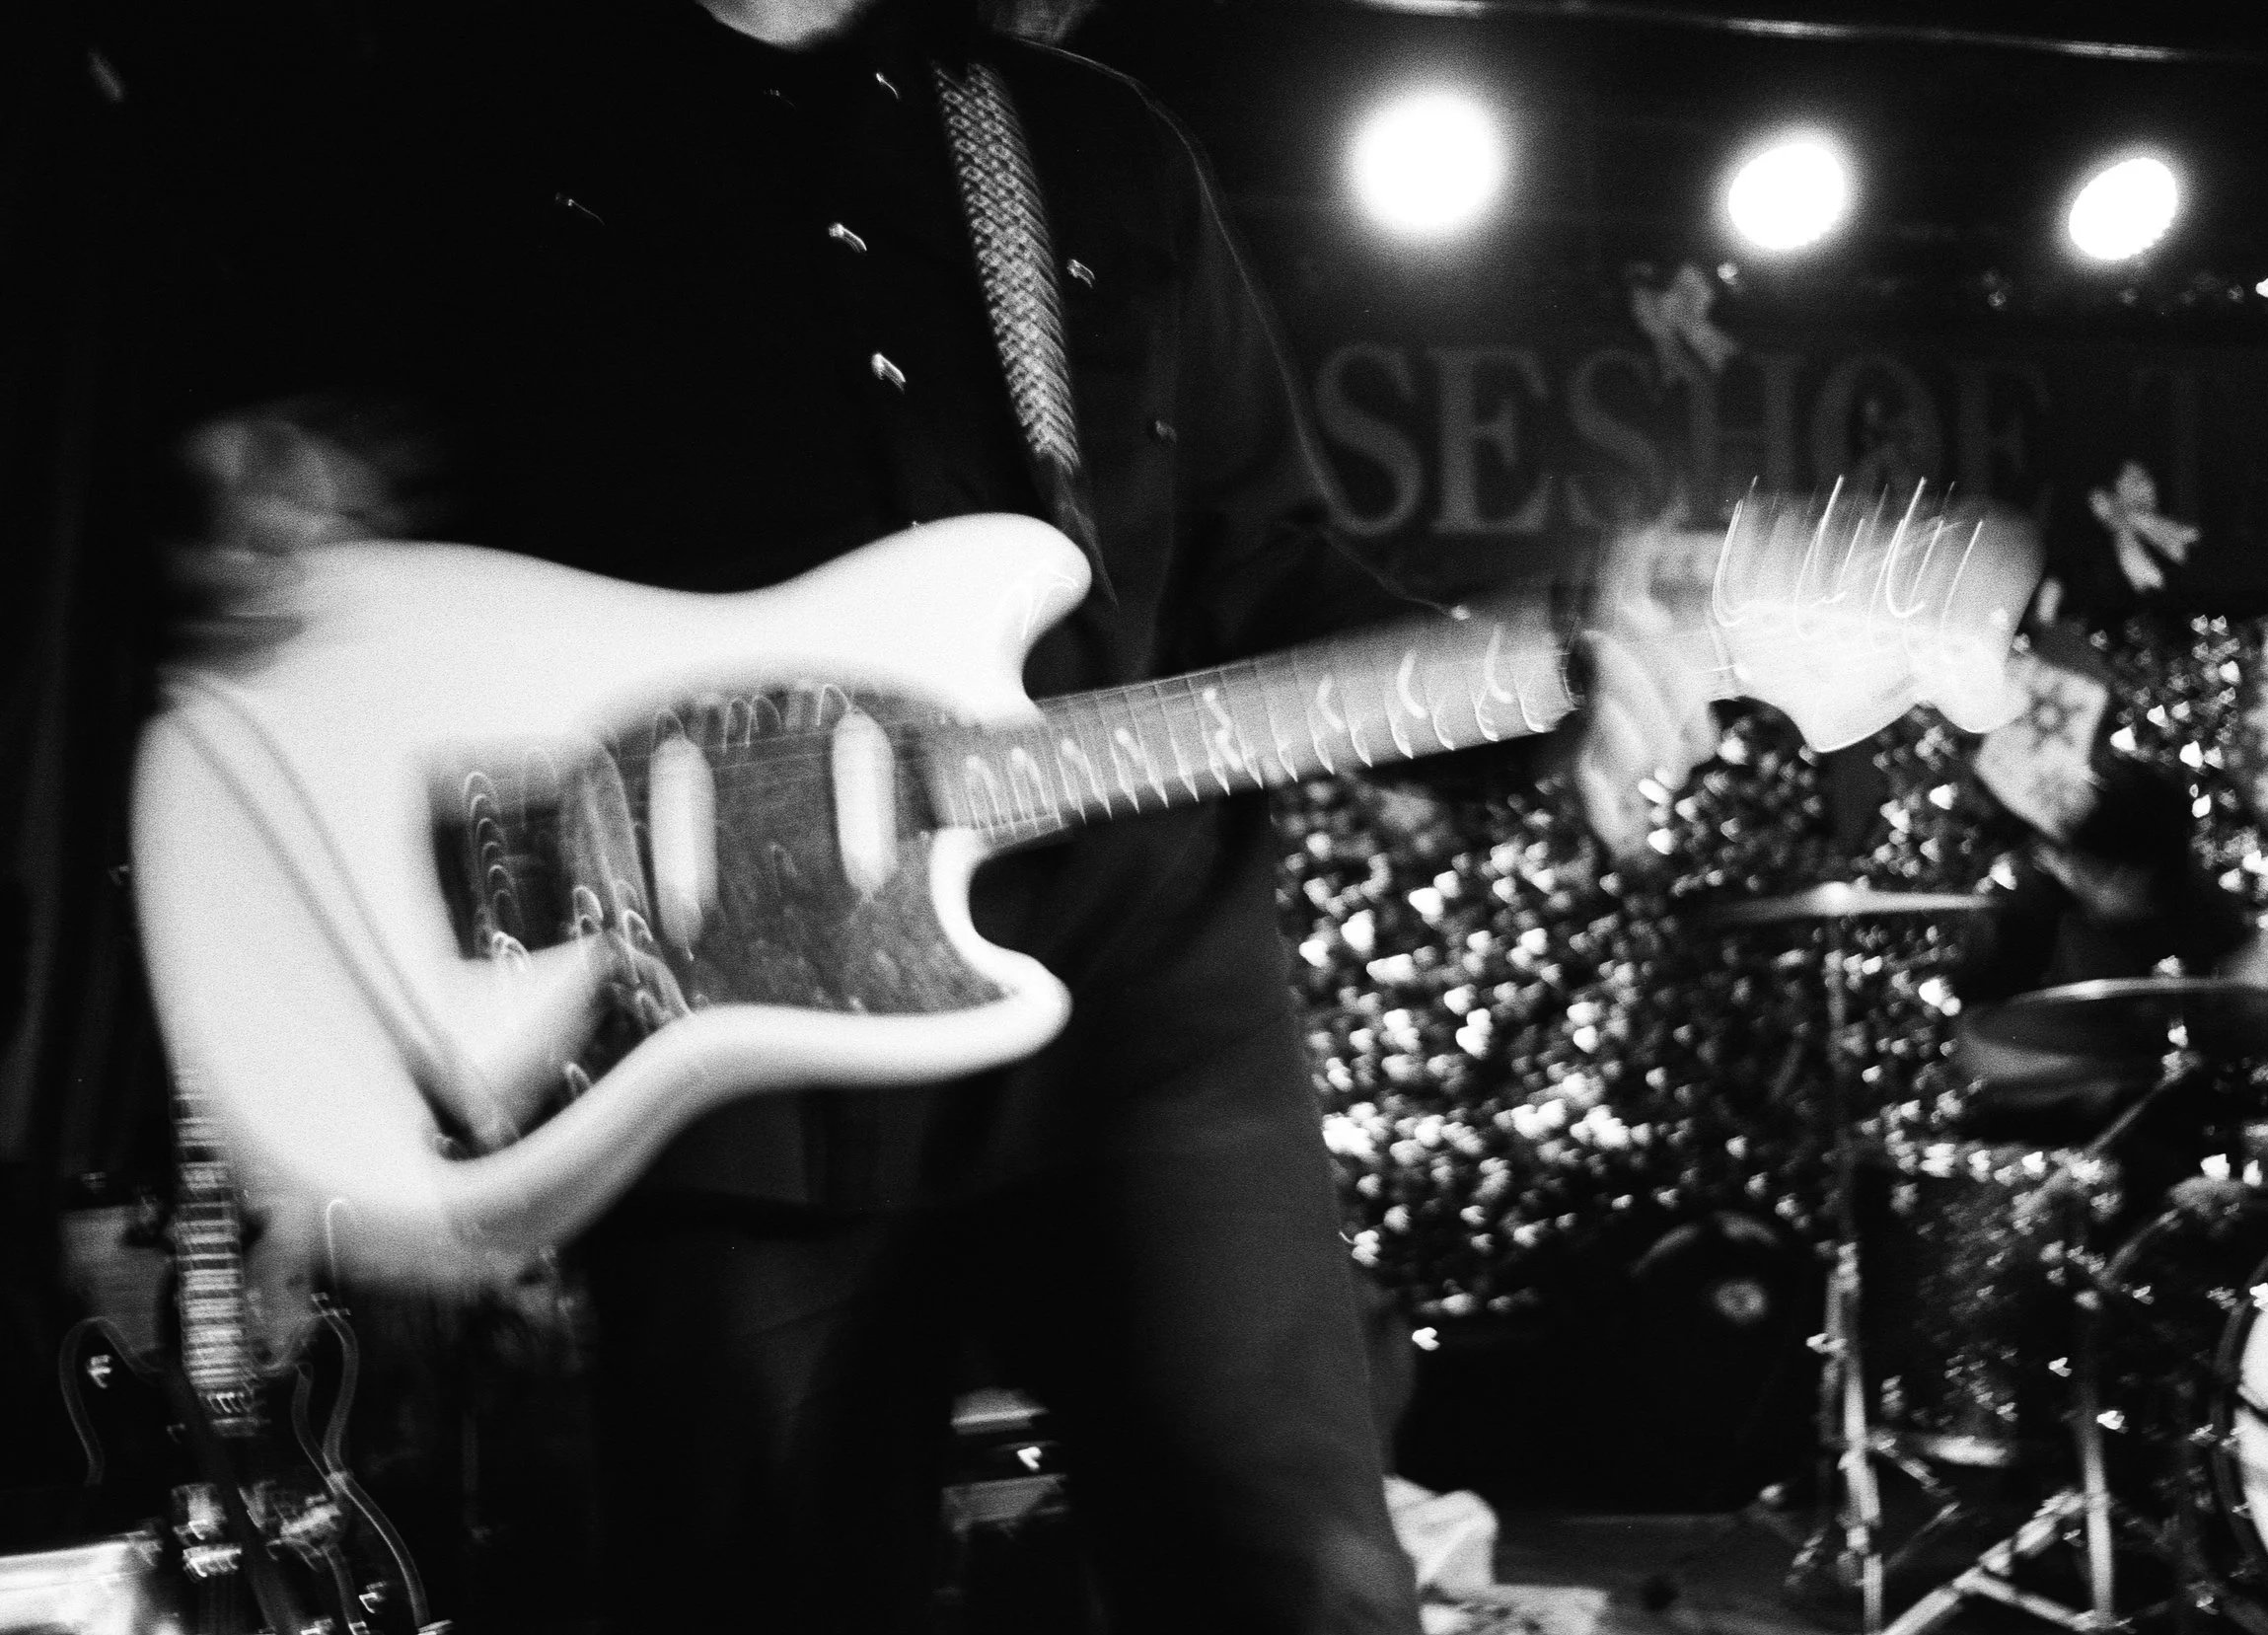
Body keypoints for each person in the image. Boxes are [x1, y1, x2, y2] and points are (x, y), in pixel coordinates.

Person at [148, 1, 1719, 1630]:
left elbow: (1261, 568)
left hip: (1135, 991)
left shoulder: (1091, 149)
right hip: (708, 1044)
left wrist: (1545, 668)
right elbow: (289, 551)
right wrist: (261, 515)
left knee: (1293, 1577)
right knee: (766, 1597)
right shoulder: (458, 128)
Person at [1953, 754, 2268, 1215]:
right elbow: (1980, 1050)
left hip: (2155, 1120)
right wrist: (2095, 1073)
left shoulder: (2181, 886)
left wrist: (2238, 1019)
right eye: (2089, 865)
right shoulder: (2023, 908)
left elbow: (2253, 984)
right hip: (2040, 1134)